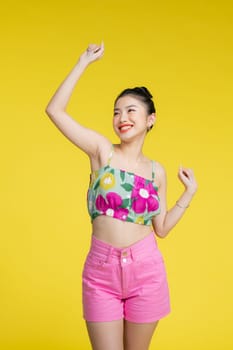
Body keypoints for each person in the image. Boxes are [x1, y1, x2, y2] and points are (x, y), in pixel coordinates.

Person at [45, 42, 198, 350]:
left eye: (131, 110)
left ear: (150, 119)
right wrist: (82, 63)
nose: (121, 117)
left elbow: (162, 228)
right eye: (116, 112)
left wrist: (189, 194)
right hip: (101, 273)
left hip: (146, 271)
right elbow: (54, 110)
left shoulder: (157, 171)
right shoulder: (101, 151)